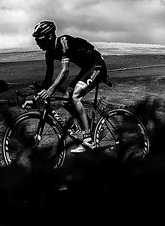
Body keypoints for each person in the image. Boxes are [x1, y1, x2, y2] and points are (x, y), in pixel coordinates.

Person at [32, 20, 108, 153]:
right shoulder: (49, 53)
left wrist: (50, 91)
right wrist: (35, 96)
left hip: (97, 66)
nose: (37, 42)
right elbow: (48, 79)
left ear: (49, 36)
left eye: (39, 38)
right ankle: (95, 128)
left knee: (75, 97)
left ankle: (88, 140)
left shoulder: (63, 41)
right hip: (86, 68)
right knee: (66, 101)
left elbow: (65, 71)